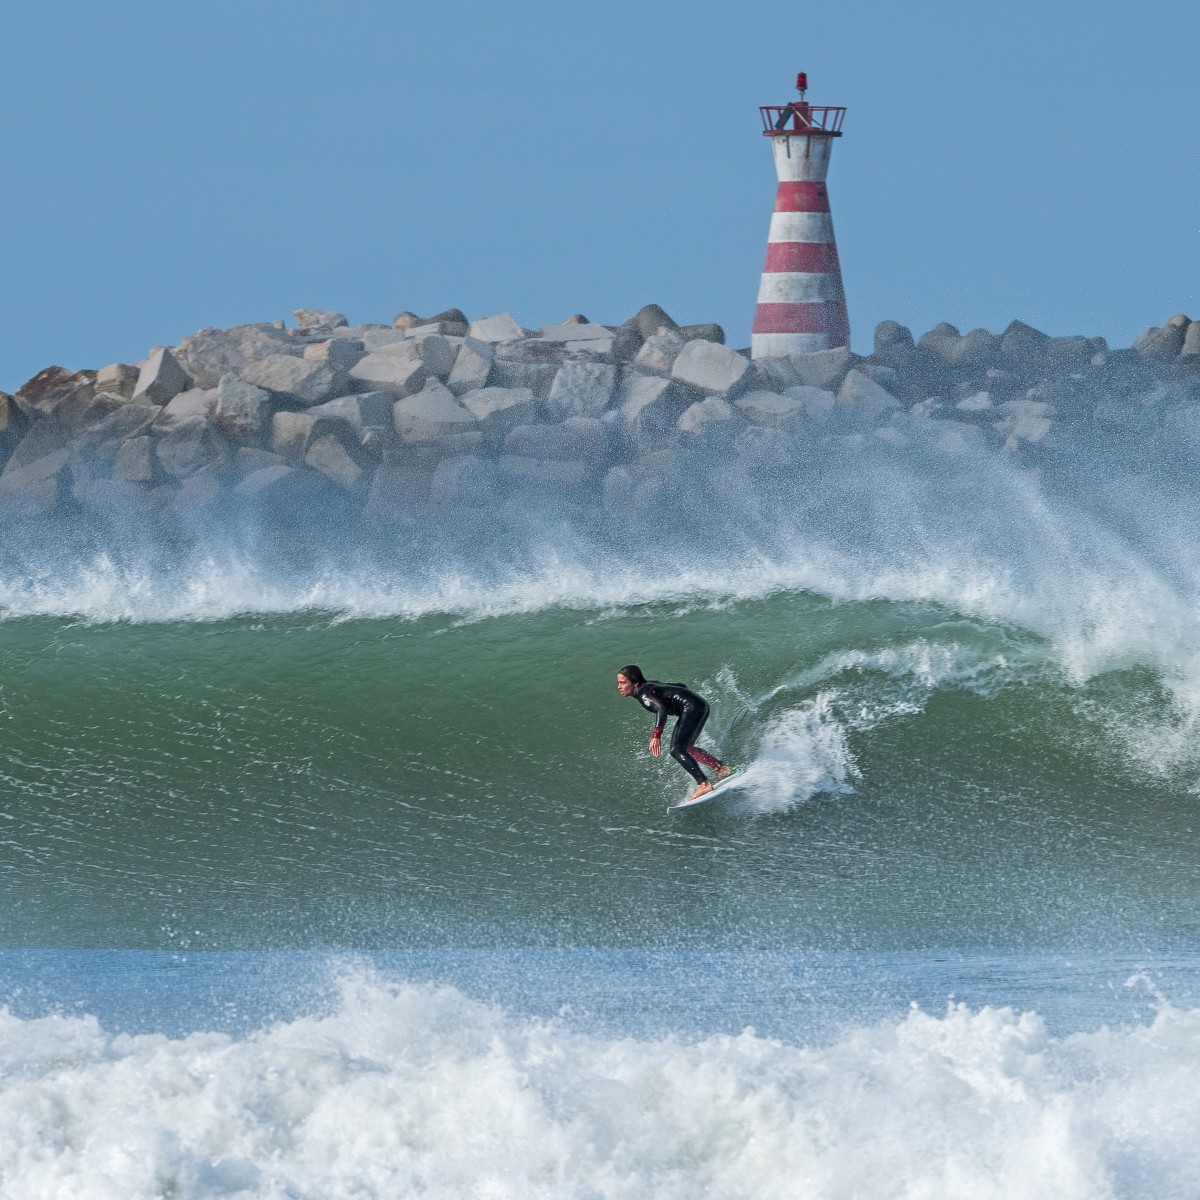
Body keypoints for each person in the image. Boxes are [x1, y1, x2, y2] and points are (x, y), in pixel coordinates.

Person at [616, 665, 733, 801]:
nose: (619, 686)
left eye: (623, 682)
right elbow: (681, 686)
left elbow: (661, 708)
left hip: (691, 708)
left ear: (635, 683)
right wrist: (687, 699)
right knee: (686, 748)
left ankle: (704, 784)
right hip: (700, 705)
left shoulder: (643, 694)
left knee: (676, 750)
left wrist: (656, 736)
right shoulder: (650, 685)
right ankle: (721, 768)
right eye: (619, 683)